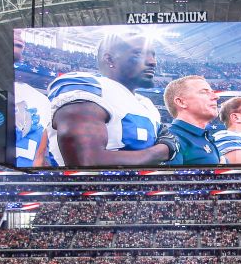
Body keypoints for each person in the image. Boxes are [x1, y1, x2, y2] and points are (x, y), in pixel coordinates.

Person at [46, 30, 179, 166]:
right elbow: (87, 163)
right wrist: (164, 150)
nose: (152, 62)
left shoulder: (146, 104)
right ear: (110, 59)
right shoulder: (87, 87)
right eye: (138, 54)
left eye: (153, 55)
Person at [12, 31, 53, 168]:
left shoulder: (40, 101)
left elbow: (39, 159)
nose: (18, 32)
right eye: (12, 31)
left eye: (20, 31)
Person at [160, 75, 221, 165]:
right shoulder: (172, 140)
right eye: (204, 92)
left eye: (212, 92)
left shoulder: (205, 137)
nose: (216, 97)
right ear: (181, 102)